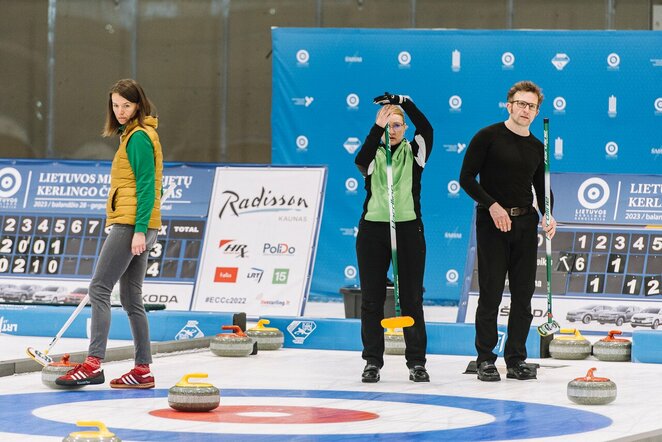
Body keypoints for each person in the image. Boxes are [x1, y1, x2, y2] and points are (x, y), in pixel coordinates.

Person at [57, 79, 163, 389]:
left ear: (138, 106)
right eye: (115, 105)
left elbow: (146, 186)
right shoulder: (131, 136)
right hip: (137, 223)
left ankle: (92, 364)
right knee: (131, 299)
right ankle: (143, 370)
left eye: (126, 105)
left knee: (99, 288)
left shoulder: (139, 138)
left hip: (132, 225)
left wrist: (139, 230)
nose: (120, 111)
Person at [459, 80, 557, 382]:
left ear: (537, 110)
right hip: (493, 223)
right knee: (490, 293)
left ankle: (515, 359)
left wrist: (549, 214)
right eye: (521, 104)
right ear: (509, 105)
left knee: (523, 294)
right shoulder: (487, 136)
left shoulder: (536, 146)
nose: (526, 110)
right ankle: (486, 359)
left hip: (526, 225)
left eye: (532, 106)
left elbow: (543, 189)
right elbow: (466, 178)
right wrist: (492, 205)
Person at [354, 92, 433, 383]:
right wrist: (378, 127)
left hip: (409, 229)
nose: (393, 130)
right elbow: (360, 162)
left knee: (412, 298)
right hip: (374, 230)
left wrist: (404, 102)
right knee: (371, 300)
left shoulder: (416, 152)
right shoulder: (373, 154)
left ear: (405, 128)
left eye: (397, 124)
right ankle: (372, 361)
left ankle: (416, 362)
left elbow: (427, 128)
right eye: (388, 124)